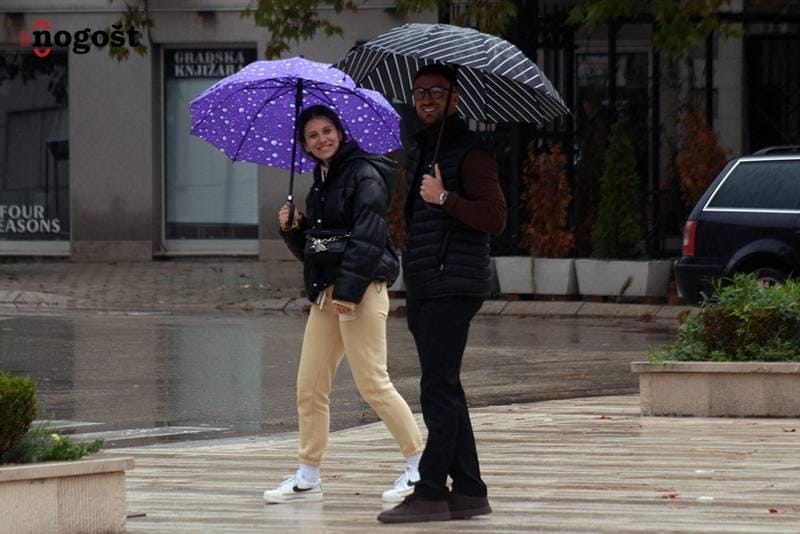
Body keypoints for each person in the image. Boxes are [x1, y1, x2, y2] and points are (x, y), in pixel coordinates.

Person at [263, 104, 424, 505]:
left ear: (340, 131)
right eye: (312, 135)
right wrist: (294, 228)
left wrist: (348, 296)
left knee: (373, 383)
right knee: (310, 386)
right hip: (328, 294)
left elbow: (368, 239)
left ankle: (421, 466)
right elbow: (320, 250)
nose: (322, 139)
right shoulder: (322, 181)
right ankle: (308, 475)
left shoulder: (364, 174)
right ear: (305, 145)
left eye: (327, 131)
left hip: (361, 291)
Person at [377, 64, 507, 523]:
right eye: (419, 93)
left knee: (438, 389)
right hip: (428, 283)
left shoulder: (472, 152)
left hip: (454, 282)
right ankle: (469, 490)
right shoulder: (423, 149)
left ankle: (431, 491)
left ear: (455, 98)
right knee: (445, 387)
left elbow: (495, 217)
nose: (426, 99)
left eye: (436, 91)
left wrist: (445, 198)